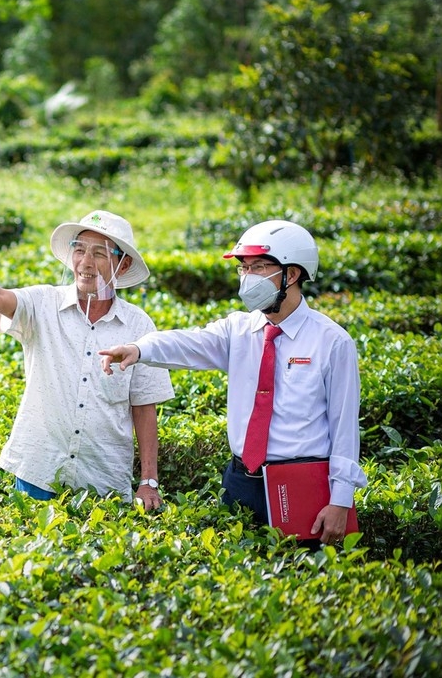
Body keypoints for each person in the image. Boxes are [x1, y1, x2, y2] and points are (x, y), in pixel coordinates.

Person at [99, 220, 367, 544]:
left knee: (301, 579)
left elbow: (344, 430)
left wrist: (340, 500)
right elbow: (188, 343)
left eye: (258, 267)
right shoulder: (239, 330)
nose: (247, 277)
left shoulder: (332, 342)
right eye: (243, 268)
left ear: (291, 275)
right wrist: (139, 348)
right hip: (240, 479)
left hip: (300, 483)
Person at [0, 210, 174, 507]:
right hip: (37, 469)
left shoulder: (139, 326)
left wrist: (149, 482)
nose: (85, 263)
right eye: (79, 249)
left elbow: (144, 406)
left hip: (102, 479)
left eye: (100, 253)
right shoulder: (43, 304)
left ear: (123, 265)